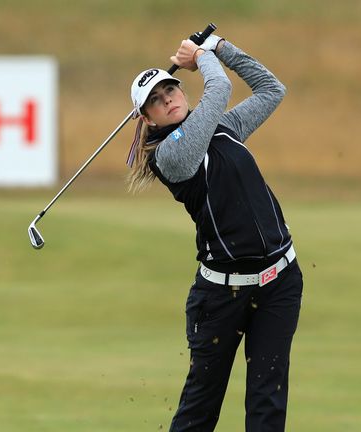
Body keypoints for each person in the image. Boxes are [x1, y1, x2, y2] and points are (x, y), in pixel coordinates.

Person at [126, 34, 304, 431]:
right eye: (156, 100)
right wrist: (202, 56)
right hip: (222, 296)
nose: (168, 98)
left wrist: (223, 47)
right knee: (199, 412)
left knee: (268, 405)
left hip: (280, 282)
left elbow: (272, 88)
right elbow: (220, 87)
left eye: (171, 88)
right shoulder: (171, 156)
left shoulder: (225, 128)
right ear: (148, 119)